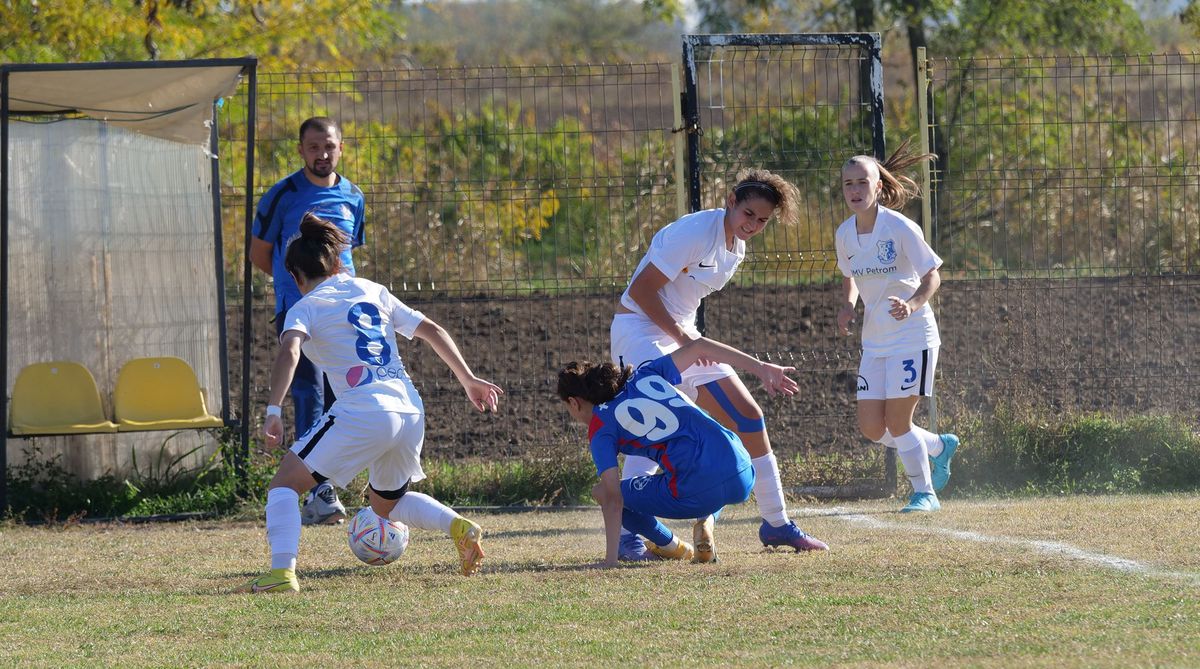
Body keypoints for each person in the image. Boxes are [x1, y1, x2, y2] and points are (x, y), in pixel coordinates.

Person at [236, 214, 502, 593]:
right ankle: (458, 526)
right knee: (386, 506)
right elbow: (433, 330)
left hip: (364, 409)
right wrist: (469, 380)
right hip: (408, 408)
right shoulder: (373, 290)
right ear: (337, 262)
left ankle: (282, 574)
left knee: (284, 485)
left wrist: (274, 409)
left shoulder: (305, 307)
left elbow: (290, 351)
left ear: (294, 276)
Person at [610, 169, 828, 560]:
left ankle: (776, 523)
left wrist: (686, 339)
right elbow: (640, 291)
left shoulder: (737, 248)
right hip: (639, 332)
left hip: (682, 335)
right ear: (730, 201)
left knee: (748, 414)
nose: (753, 225)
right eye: (748, 214)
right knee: (657, 427)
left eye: (763, 220)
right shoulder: (694, 232)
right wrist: (683, 339)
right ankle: (630, 532)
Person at [558, 336, 801, 566]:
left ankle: (673, 546)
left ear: (574, 402)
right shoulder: (646, 373)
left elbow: (612, 498)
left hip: (699, 487)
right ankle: (707, 520)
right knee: (712, 468)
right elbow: (700, 346)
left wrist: (609, 561)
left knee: (601, 491)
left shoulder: (600, 425)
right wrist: (760, 367)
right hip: (745, 472)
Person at [250, 116, 367, 526]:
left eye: (329, 146)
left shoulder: (354, 196)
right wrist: (295, 284)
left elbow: (349, 251)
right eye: (313, 147)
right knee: (308, 393)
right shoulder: (281, 195)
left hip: (345, 311)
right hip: (298, 306)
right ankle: (319, 490)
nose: (322, 154)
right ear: (301, 150)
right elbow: (259, 253)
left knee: (346, 391)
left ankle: (349, 482)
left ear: (341, 147)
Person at [835, 139, 959, 513]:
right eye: (848, 184)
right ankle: (938, 446)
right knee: (873, 429)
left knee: (898, 421)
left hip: (912, 336)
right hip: (875, 341)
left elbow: (932, 274)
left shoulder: (900, 227)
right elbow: (850, 275)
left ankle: (925, 494)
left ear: (878, 187)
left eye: (862, 182)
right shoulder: (845, 234)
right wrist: (847, 305)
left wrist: (912, 304)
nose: (855, 190)